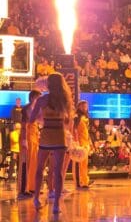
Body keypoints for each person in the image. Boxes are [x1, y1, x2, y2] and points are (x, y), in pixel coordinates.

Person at [29, 73, 74, 214]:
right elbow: (68, 122)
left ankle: (36, 198)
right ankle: (56, 205)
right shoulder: (65, 100)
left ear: (49, 84)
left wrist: (43, 118)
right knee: (58, 172)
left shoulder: (42, 100)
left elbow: (32, 119)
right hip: (59, 135)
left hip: (46, 135)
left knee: (40, 168)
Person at [18, 89, 41, 199]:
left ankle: (32, 187)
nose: (39, 100)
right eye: (38, 98)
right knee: (25, 164)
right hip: (27, 137)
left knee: (34, 163)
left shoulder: (36, 109)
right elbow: (24, 125)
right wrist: (24, 139)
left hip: (34, 138)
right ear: (32, 98)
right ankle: (23, 190)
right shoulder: (26, 109)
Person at [72, 101, 92, 189]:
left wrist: (90, 142)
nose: (85, 108)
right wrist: (76, 142)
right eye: (83, 106)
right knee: (78, 163)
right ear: (79, 107)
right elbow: (74, 129)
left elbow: (86, 131)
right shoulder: (77, 117)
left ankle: (85, 181)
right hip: (79, 143)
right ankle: (79, 182)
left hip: (85, 142)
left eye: (86, 106)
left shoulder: (86, 117)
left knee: (85, 163)